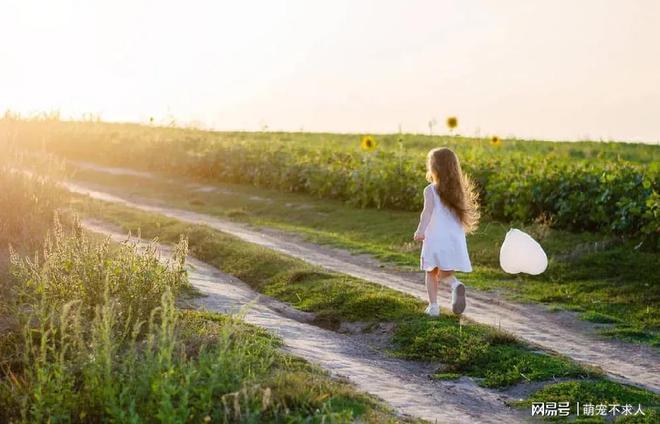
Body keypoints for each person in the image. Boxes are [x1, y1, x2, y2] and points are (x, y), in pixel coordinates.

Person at [413, 147, 480, 316]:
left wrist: (420, 230)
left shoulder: (430, 190)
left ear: (434, 168)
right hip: (454, 238)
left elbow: (426, 213)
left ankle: (433, 307)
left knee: (431, 271)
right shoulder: (458, 191)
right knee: (445, 273)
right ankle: (455, 285)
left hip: (435, 237)